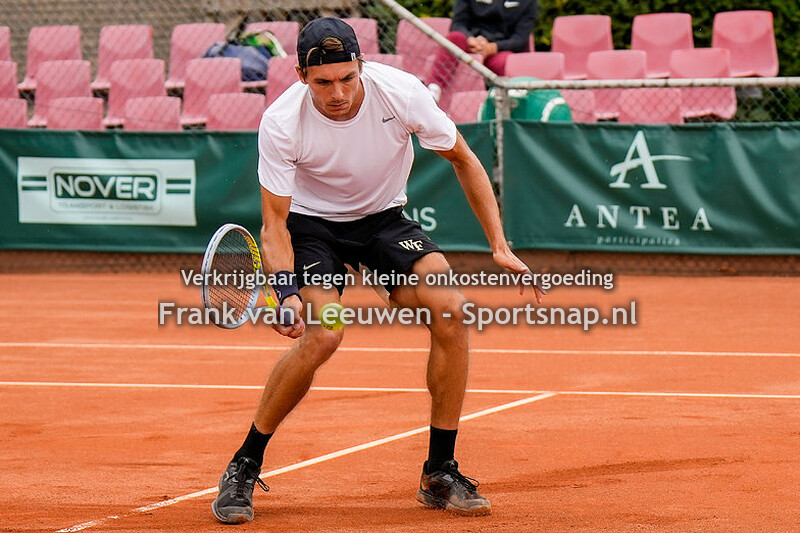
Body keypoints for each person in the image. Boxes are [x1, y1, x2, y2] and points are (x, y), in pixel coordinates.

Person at [211, 17, 544, 524]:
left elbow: (463, 158)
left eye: (347, 78)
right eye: (323, 82)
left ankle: (439, 471)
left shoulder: (401, 93)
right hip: (312, 230)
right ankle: (244, 464)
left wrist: (499, 245)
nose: (338, 93)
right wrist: (286, 293)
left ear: (361, 65)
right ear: (301, 76)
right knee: (325, 334)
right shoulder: (281, 121)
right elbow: (274, 224)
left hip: (383, 222)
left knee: (451, 310)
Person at [426, 0, 538, 102]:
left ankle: (509, 101)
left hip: (499, 50)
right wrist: (470, 39)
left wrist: (493, 47)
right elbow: (458, 23)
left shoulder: (529, 2)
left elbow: (520, 39)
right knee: (454, 38)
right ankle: (434, 89)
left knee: (507, 62)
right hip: (469, 43)